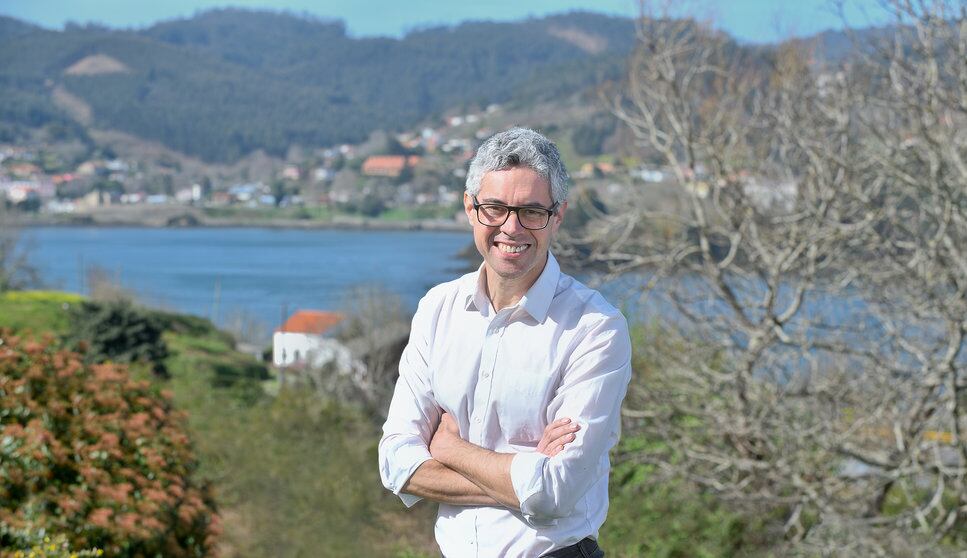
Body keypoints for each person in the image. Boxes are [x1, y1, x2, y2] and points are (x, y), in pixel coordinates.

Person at [378, 127, 631, 557]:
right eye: (494, 208)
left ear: (558, 215)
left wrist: (449, 448)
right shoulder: (438, 309)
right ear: (470, 208)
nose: (511, 228)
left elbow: (557, 492)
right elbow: (396, 465)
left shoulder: (595, 327)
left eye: (532, 211)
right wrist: (523, 478)